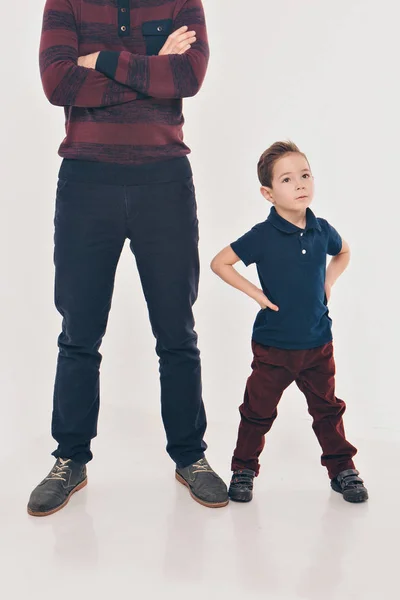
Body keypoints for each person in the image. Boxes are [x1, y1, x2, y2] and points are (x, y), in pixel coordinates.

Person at [28, 0, 228, 517]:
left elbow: (188, 75)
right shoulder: (64, 2)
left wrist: (102, 60)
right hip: (85, 181)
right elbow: (58, 85)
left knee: (177, 331)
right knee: (78, 331)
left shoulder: (183, 2)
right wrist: (150, 63)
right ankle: (70, 457)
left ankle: (191, 456)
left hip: (164, 181)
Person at [211, 141, 368, 504]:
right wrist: (257, 295)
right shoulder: (261, 236)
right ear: (268, 193)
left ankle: (342, 468)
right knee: (257, 411)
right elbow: (221, 263)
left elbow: (343, 252)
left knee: (327, 409)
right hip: (274, 346)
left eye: (305, 175)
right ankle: (243, 469)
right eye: (287, 179)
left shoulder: (321, 229)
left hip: (317, 343)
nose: (300, 184)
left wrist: (329, 281)